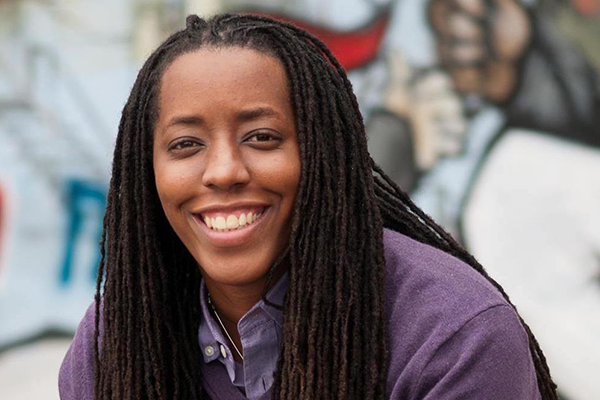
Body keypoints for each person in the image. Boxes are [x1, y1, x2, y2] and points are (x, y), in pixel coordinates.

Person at [58, 13, 558, 400]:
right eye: (186, 144)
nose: (223, 171)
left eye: (263, 136)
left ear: (324, 153)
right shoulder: (119, 341)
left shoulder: (452, 336)